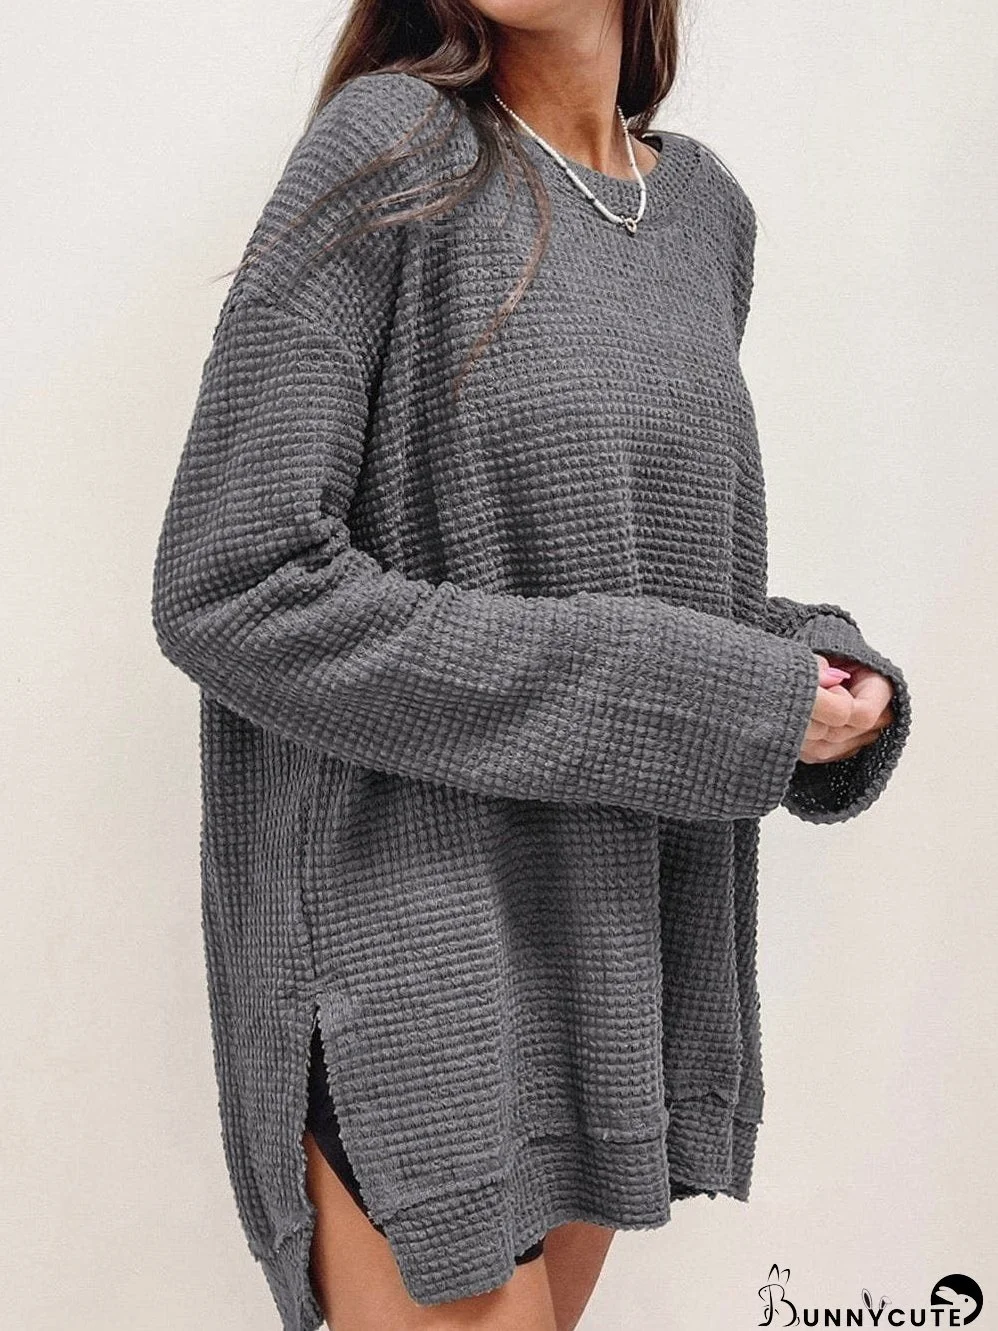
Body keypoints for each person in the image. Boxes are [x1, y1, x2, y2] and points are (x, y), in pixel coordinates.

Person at [150, 2, 912, 1328]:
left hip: (604, 957)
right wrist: (711, 699)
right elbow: (235, 582)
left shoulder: (702, 216)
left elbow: (619, 570)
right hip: (413, 954)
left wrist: (807, 673)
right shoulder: (388, 147)